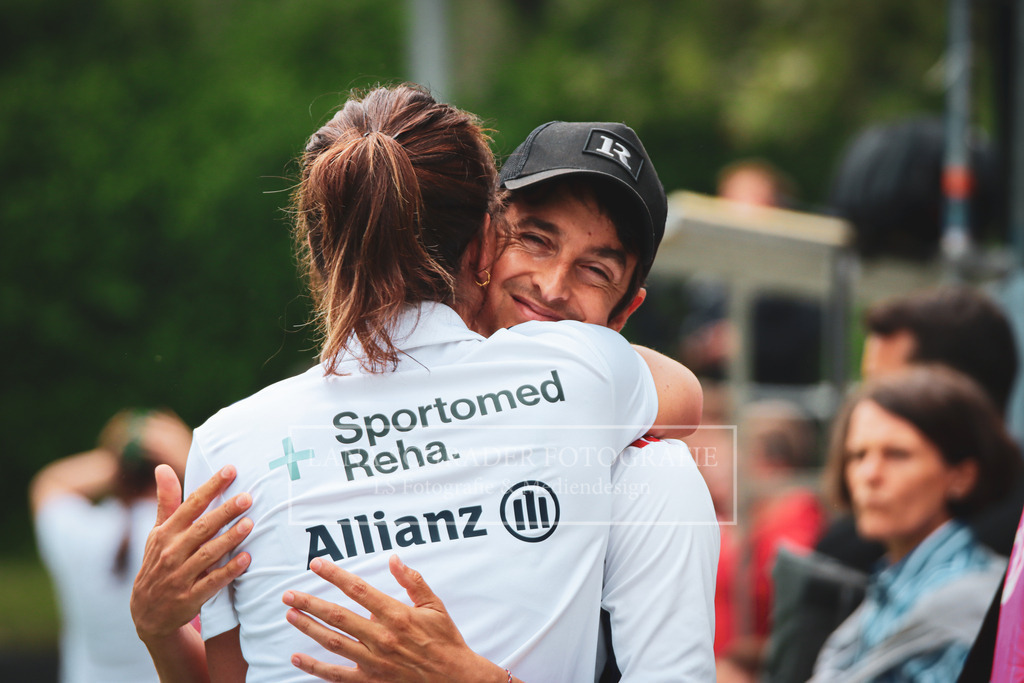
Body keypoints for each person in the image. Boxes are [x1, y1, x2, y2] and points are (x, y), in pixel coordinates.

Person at [131, 85, 705, 683]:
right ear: (488, 238)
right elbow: (680, 393)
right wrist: (158, 628)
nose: (552, 287)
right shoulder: (589, 375)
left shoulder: (229, 443)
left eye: (594, 270)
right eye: (534, 238)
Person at [807, 365, 1021, 682]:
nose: (869, 474)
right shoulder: (889, 587)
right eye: (858, 455)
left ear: (961, 476)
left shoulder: (970, 607)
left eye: (896, 454)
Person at [30, 408, 192, 683]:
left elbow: (49, 482)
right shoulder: (190, 534)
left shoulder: (76, 530)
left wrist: (122, 453)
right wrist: (188, 454)